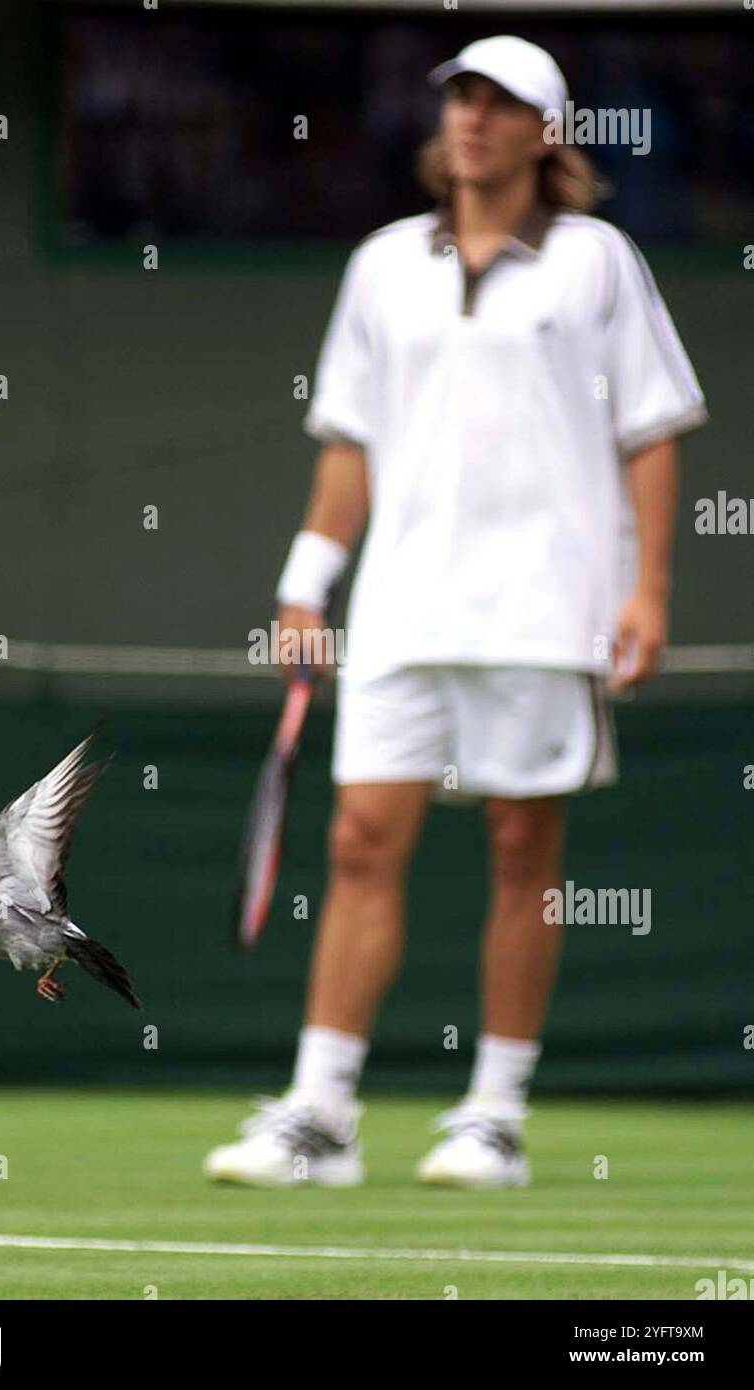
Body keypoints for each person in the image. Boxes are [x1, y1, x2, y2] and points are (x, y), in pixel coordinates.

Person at [205, 35, 708, 1189]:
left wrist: (650, 588)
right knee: (358, 840)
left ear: (545, 131)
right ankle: (320, 1115)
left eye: (499, 104)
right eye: (459, 101)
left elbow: (650, 432)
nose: (472, 120)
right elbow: (350, 442)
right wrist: (304, 579)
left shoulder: (598, 263)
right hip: (400, 608)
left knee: (523, 847)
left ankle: (493, 1112)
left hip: (546, 607)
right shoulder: (382, 265)